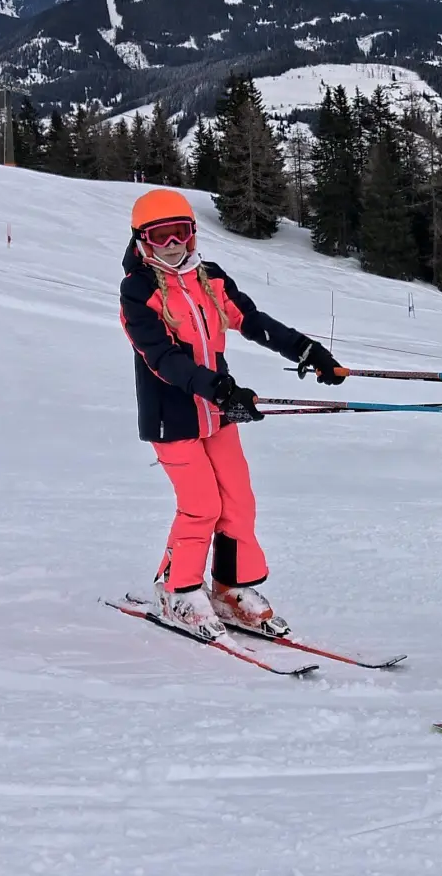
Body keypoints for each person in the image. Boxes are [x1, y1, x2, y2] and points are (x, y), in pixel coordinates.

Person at [119, 189, 344, 639]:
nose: (172, 245)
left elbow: (253, 321)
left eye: (180, 233)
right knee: (201, 505)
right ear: (142, 240)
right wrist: (220, 389)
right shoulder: (138, 290)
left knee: (238, 499)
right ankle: (177, 589)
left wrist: (307, 351)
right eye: (159, 237)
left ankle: (229, 586)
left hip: (217, 412)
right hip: (173, 415)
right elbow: (162, 358)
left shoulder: (208, 278)